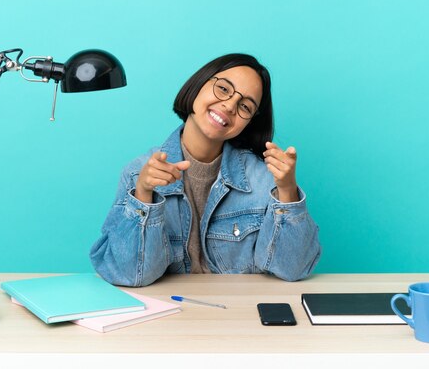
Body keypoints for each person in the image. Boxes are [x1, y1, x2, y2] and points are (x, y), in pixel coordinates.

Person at [90, 53, 321, 287]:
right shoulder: (137, 173)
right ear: (199, 85)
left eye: (245, 106)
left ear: (250, 122)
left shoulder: (264, 180)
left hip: (239, 313)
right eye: (223, 89)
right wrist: (143, 196)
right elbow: (128, 274)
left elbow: (293, 269)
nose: (230, 106)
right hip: (167, 314)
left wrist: (287, 191)